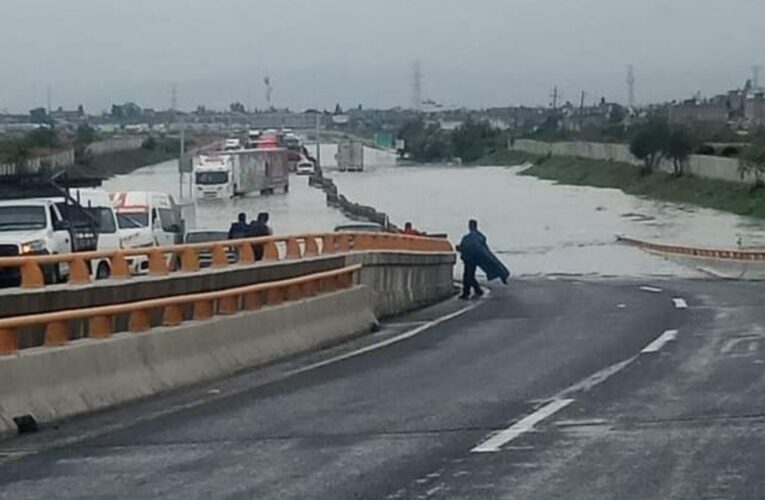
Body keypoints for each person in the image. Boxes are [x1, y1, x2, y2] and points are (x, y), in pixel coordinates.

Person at [456, 219, 509, 300]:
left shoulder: (468, 237)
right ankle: (477, 290)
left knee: (467, 275)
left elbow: (465, 247)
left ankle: (467, 293)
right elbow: (485, 250)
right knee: (470, 275)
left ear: (470, 226)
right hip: (475, 259)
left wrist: (459, 248)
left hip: (470, 260)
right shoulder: (481, 236)